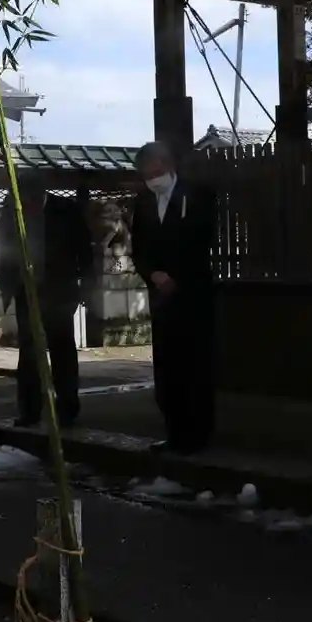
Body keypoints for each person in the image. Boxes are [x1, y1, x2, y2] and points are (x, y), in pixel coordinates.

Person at [130, 141, 217, 453]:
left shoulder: (198, 196)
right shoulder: (143, 202)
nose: (152, 179)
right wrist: (152, 273)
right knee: (167, 369)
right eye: (146, 175)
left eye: (155, 172)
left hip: (192, 294)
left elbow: (201, 241)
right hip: (160, 298)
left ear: (168, 165)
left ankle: (198, 436)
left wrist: (176, 276)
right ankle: (174, 432)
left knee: (195, 367)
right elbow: (138, 248)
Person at [0, 187, 93, 428]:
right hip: (26, 292)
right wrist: (7, 288)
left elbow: (84, 251)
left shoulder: (66, 210)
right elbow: (4, 249)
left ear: (40, 196)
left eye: (29, 202)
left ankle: (67, 409)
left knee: (62, 351)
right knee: (29, 353)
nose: (25, 207)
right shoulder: (11, 208)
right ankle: (30, 411)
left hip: (59, 292)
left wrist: (87, 288)